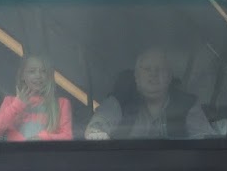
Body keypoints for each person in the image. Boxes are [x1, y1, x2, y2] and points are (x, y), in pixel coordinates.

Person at [85, 47, 214, 140]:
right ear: (136, 76)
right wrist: (97, 133)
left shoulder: (188, 104)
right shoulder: (118, 101)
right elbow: (97, 128)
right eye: (147, 69)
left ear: (169, 76)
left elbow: (205, 140)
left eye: (160, 69)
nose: (153, 74)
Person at [0, 55, 72, 141]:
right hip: (18, 154)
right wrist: (17, 105)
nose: (38, 75)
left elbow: (67, 136)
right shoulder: (11, 102)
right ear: (22, 76)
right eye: (32, 71)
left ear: (49, 76)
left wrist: (42, 138)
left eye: (43, 71)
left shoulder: (61, 103)